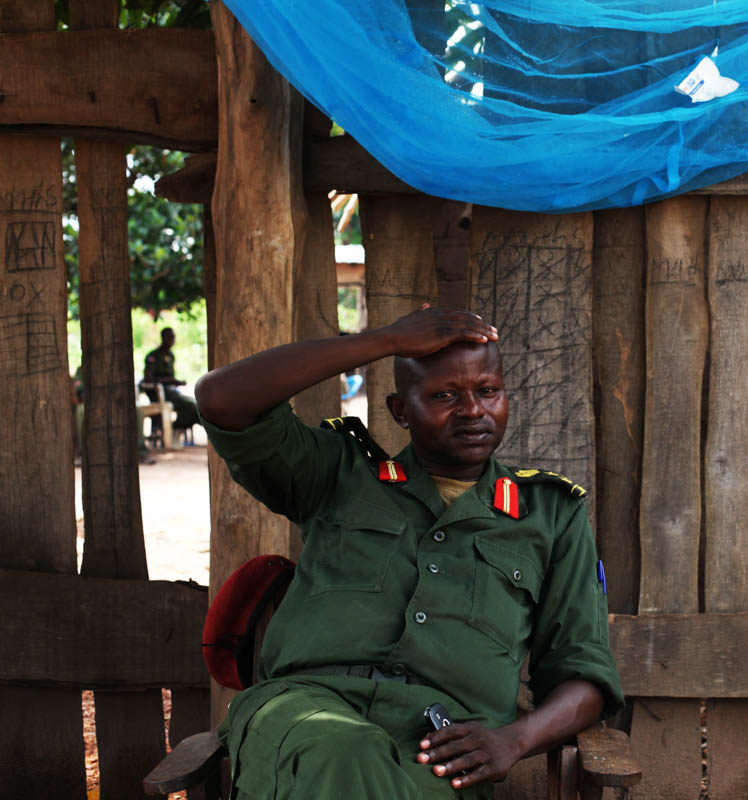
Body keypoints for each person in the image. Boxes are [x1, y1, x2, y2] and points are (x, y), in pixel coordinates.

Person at [194, 307, 623, 799]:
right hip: (304, 713)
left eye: (488, 391)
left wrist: (513, 739)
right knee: (344, 752)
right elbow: (221, 399)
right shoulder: (335, 475)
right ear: (400, 410)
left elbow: (583, 671)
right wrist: (385, 340)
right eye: (443, 395)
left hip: (441, 745)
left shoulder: (549, 515)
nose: (473, 411)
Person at [143, 327, 200, 435]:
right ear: (163, 338)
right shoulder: (153, 356)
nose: (172, 340)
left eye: (173, 337)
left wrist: (176, 382)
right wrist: (168, 381)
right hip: (158, 393)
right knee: (191, 406)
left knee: (197, 406)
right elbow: (148, 379)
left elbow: (171, 377)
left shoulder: (170, 356)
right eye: (169, 337)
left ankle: (174, 429)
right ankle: (171, 428)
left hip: (171, 391)